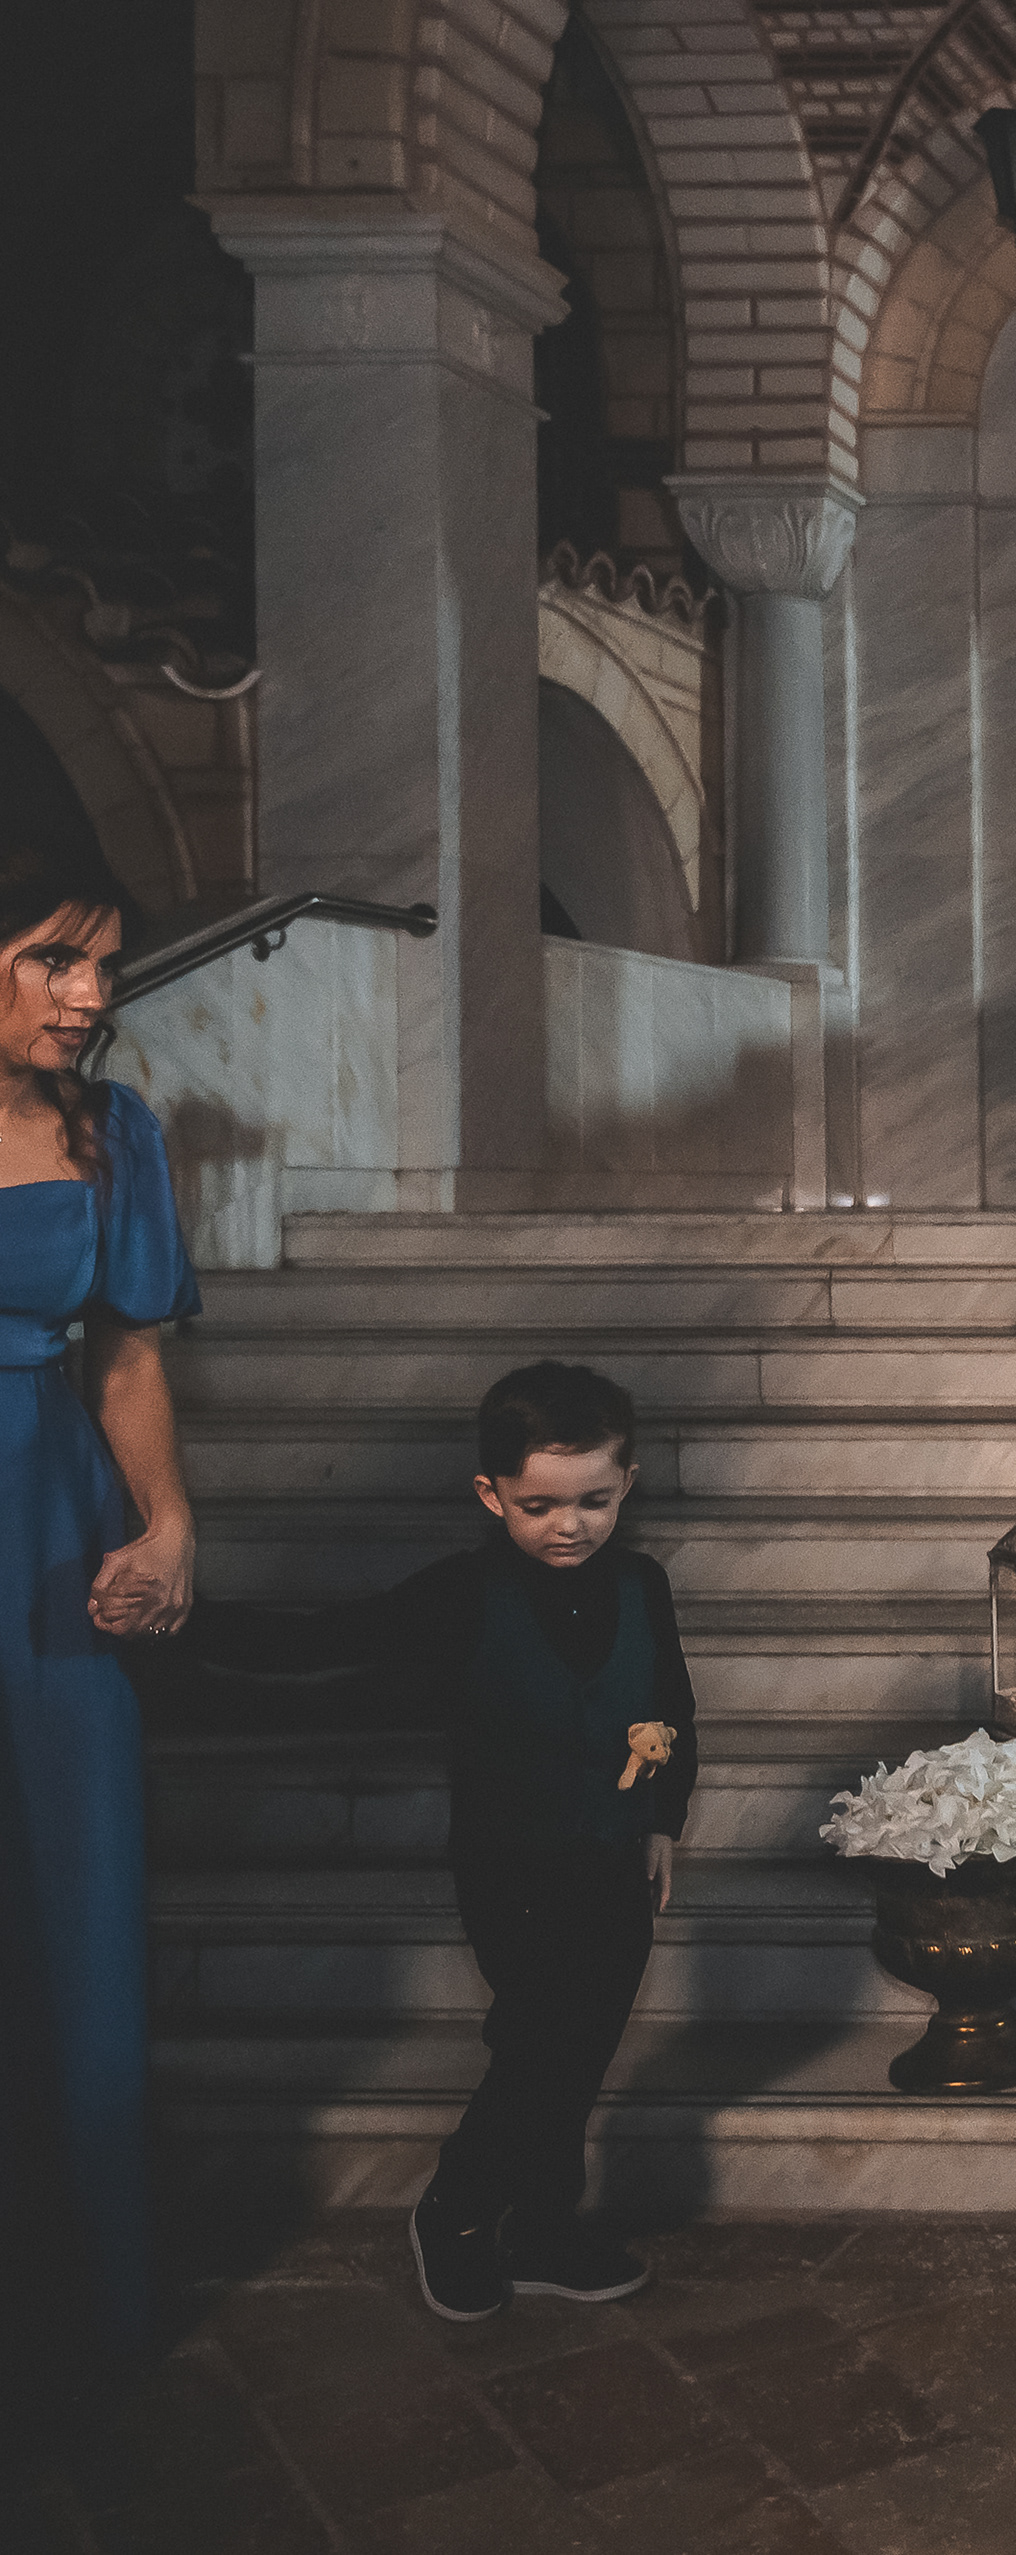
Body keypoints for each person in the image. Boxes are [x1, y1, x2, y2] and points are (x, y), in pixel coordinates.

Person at [184, 1361, 697, 2319]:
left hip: (615, 1861)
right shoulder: (465, 1591)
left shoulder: (643, 1583)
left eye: (594, 1500)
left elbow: (672, 1706)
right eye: (540, 1504)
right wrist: (183, 1619)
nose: (570, 1524)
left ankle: (542, 2226)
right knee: (539, 2041)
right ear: (491, 1494)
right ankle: (454, 2209)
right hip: (512, 1869)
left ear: (626, 1483)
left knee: (583, 2047)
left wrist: (664, 1819)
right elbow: (321, 1643)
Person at [0, 847, 196, 2399]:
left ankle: (76, 2299)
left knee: (72, 1881)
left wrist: (169, 1519)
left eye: (105, 967)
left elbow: (126, 1352)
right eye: (55, 958)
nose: (89, 993)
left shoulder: (113, 1126)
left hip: (49, 1517)